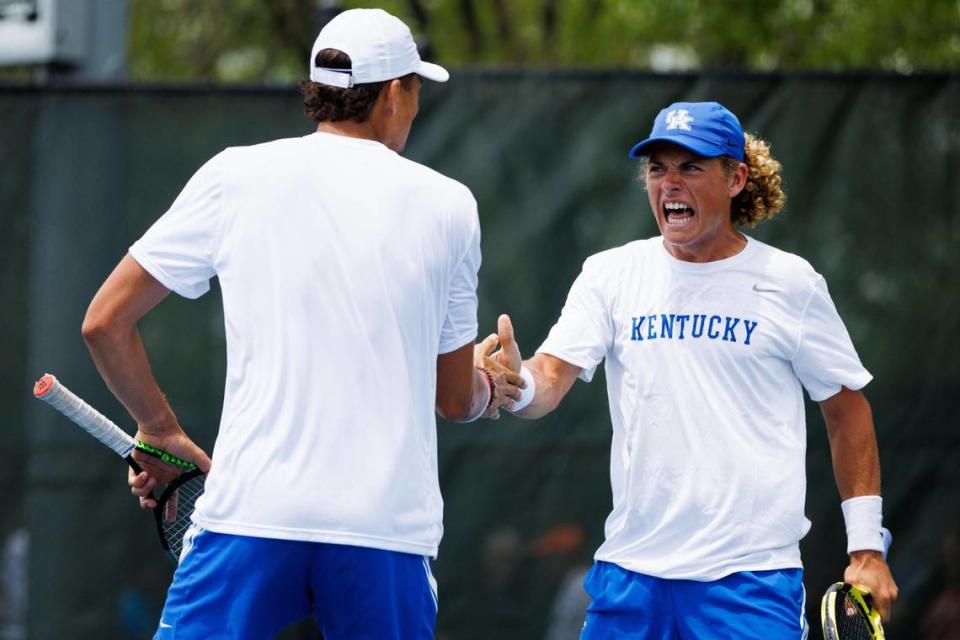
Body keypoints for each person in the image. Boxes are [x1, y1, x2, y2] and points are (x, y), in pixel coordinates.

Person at [81, 8, 522, 639]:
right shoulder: (450, 204)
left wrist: (160, 429)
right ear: (394, 94)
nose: (416, 106)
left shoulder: (234, 174)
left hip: (251, 516)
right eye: (417, 89)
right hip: (384, 529)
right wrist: (488, 383)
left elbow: (104, 322)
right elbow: (454, 400)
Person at [488, 101, 898, 638]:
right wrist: (513, 384)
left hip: (751, 582)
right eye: (658, 169)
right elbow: (548, 378)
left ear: (736, 178)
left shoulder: (790, 283)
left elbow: (847, 410)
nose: (670, 183)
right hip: (629, 577)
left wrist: (866, 549)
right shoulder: (610, 275)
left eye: (691, 167)